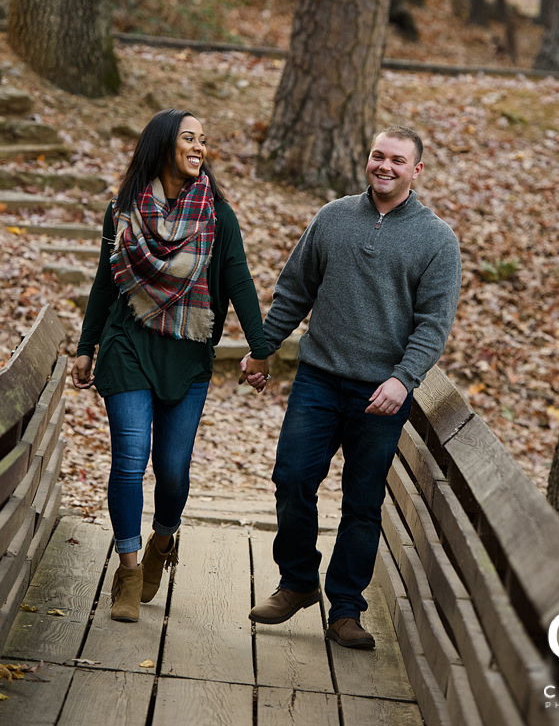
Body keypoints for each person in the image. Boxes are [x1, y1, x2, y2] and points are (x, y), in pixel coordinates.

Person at [244, 125, 461, 649]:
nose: (384, 166)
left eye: (397, 160)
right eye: (377, 156)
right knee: (292, 479)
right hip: (318, 379)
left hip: (381, 395)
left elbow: (433, 323)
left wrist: (402, 378)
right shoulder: (333, 217)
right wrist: (263, 346)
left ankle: (346, 609)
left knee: (362, 504)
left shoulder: (437, 240)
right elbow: (294, 290)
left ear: (417, 170)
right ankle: (297, 582)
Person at [72, 109, 270, 622]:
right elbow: (104, 281)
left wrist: (261, 346)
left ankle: (163, 537)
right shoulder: (122, 210)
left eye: (204, 140)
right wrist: (86, 345)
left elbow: (240, 281)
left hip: (186, 353)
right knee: (130, 458)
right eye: (189, 138)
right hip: (127, 345)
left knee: (174, 471)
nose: (199, 146)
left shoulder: (217, 216)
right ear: (163, 145)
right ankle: (130, 568)